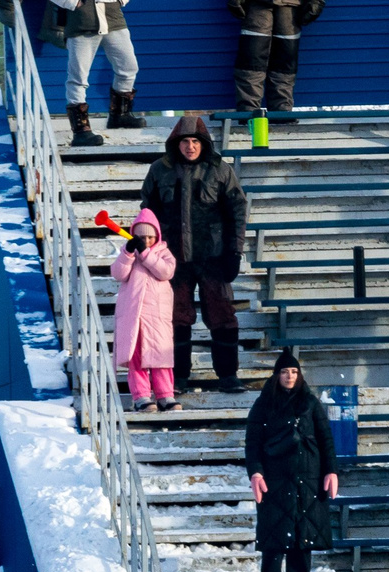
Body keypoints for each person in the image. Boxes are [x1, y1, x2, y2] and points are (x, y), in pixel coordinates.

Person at [139, 115, 248, 395]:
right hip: (172, 262)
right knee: (176, 319)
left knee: (223, 316)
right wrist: (148, 251)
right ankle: (179, 378)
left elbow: (237, 211)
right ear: (176, 144)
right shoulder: (159, 171)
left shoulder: (220, 170)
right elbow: (147, 214)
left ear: (204, 144)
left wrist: (234, 251)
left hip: (214, 257)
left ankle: (228, 375)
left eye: (195, 141)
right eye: (185, 141)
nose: (190, 146)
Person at [246, 348, 339, 572]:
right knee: (274, 525)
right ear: (277, 375)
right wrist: (255, 471)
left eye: (294, 372)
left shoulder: (310, 402)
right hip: (274, 476)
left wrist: (331, 470)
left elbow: (325, 438)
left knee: (303, 525)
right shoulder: (264, 404)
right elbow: (252, 442)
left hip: (308, 475)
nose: (290, 376)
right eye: (285, 371)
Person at [110, 206, 179, 412]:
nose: (146, 240)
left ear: (157, 236)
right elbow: (118, 274)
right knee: (137, 357)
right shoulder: (128, 253)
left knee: (160, 356)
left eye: (150, 237)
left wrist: (146, 253)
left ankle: (165, 395)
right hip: (134, 317)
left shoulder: (163, 253)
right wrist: (128, 253)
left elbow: (166, 272)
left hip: (157, 317)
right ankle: (141, 396)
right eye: (141, 237)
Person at [54, 0, 142, 146]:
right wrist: (71, 2)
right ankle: (81, 131)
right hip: (81, 21)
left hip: (113, 17)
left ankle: (120, 115)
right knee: (78, 78)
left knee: (128, 67)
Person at [234, 0, 317, 113]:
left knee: (284, 62)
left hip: (290, 7)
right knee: (252, 60)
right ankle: (249, 113)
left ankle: (281, 113)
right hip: (258, 7)